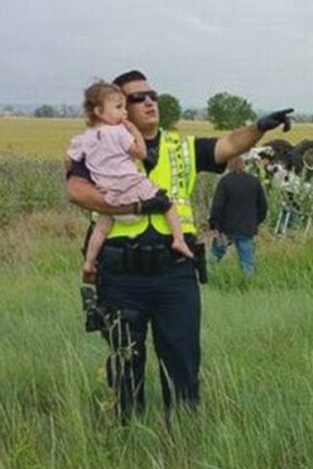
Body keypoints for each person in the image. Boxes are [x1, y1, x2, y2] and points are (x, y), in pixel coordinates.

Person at [66, 69, 293, 423]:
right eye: (137, 98)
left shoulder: (180, 147)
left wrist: (260, 127)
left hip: (175, 272)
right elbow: (76, 191)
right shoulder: (99, 143)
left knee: (183, 362)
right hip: (121, 273)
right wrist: (135, 207)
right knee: (125, 363)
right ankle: (124, 438)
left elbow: (229, 144)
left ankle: (182, 440)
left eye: (152, 95)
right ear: (118, 108)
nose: (149, 102)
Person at [66, 81, 193, 283]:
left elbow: (69, 160)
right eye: (118, 108)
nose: (124, 113)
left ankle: (89, 262)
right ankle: (179, 240)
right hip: (132, 187)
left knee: (101, 228)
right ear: (99, 111)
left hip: (109, 195)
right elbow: (140, 152)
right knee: (167, 204)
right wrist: (134, 131)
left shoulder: (84, 138)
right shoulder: (118, 132)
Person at [208, 156, 268, 275]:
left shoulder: (225, 182)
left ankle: (207, 279)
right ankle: (248, 285)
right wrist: (256, 221)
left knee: (215, 256)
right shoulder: (254, 182)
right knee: (247, 261)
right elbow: (263, 206)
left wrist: (214, 224)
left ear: (229, 165)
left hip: (226, 228)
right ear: (243, 165)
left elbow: (217, 206)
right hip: (247, 228)